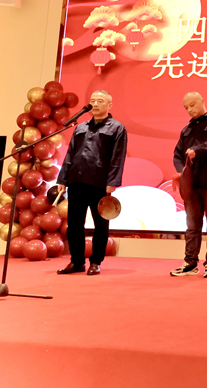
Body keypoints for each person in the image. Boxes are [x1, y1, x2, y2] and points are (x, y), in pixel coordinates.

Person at [56, 90, 127, 276]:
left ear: (109, 105)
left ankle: (96, 262)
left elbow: (118, 157)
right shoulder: (80, 127)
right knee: (74, 225)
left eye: (100, 101)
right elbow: (70, 153)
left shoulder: (117, 128)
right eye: (93, 100)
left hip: (100, 183)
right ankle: (77, 261)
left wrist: (112, 181)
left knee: (100, 225)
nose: (95, 104)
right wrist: (63, 179)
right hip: (76, 180)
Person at [171, 92, 207, 278]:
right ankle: (190, 263)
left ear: (202, 101)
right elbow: (178, 154)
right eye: (186, 107)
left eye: (192, 104)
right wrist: (181, 172)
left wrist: (198, 150)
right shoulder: (186, 129)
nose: (189, 109)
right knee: (192, 226)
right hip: (191, 184)